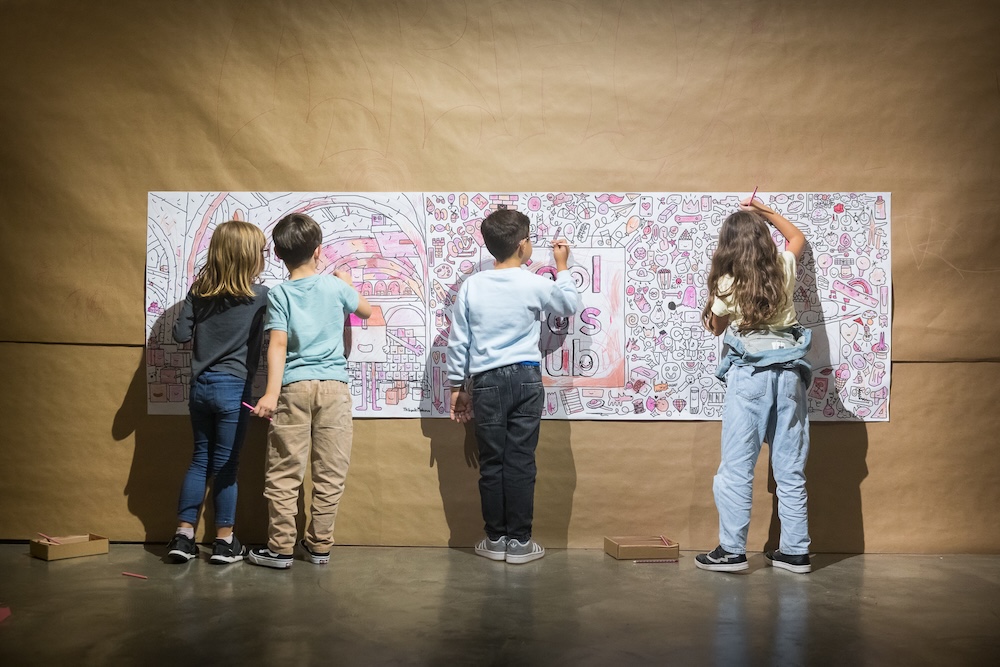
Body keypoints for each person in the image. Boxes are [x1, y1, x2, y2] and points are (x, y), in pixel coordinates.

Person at [447, 208, 580, 564]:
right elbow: (570, 304)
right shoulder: (534, 282)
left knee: (493, 462)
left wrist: (457, 386)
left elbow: (459, 341)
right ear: (523, 246)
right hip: (525, 377)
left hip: (487, 381)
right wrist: (562, 266)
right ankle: (520, 543)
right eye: (530, 239)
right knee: (521, 461)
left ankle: (495, 540)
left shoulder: (472, 285)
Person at [695, 196, 813, 574]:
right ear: (764, 238)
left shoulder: (729, 282)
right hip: (791, 374)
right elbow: (797, 237)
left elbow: (715, 327)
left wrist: (716, 295)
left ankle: (731, 551)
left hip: (750, 376)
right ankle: (795, 551)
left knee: (737, 466)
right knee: (790, 467)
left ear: (728, 245)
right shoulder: (783, 265)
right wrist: (765, 212)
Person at [247, 213, 372, 569]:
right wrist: (347, 283)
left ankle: (281, 549)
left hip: (293, 388)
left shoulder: (281, 293)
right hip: (334, 387)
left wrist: (270, 394)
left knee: (285, 471)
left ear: (277, 255)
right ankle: (319, 546)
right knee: (330, 470)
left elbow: (278, 344)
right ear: (319, 251)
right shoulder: (336, 288)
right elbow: (365, 310)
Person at [167, 220, 269, 565]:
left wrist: (194, 301)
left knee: (199, 460)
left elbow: (181, 335)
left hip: (200, 389)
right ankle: (224, 542)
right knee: (227, 466)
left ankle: (183, 537)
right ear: (250, 257)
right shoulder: (261, 297)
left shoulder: (200, 291)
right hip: (233, 389)